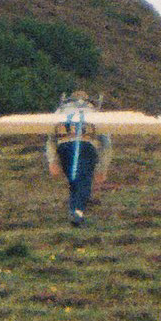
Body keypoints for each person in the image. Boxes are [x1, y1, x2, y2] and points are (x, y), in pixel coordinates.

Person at [45, 92, 112, 228]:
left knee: (74, 180)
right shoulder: (94, 113)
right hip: (87, 146)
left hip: (64, 146)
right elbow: (106, 143)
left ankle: (75, 211)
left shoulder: (60, 112)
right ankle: (77, 212)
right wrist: (102, 168)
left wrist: (52, 160)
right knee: (84, 180)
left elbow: (51, 138)